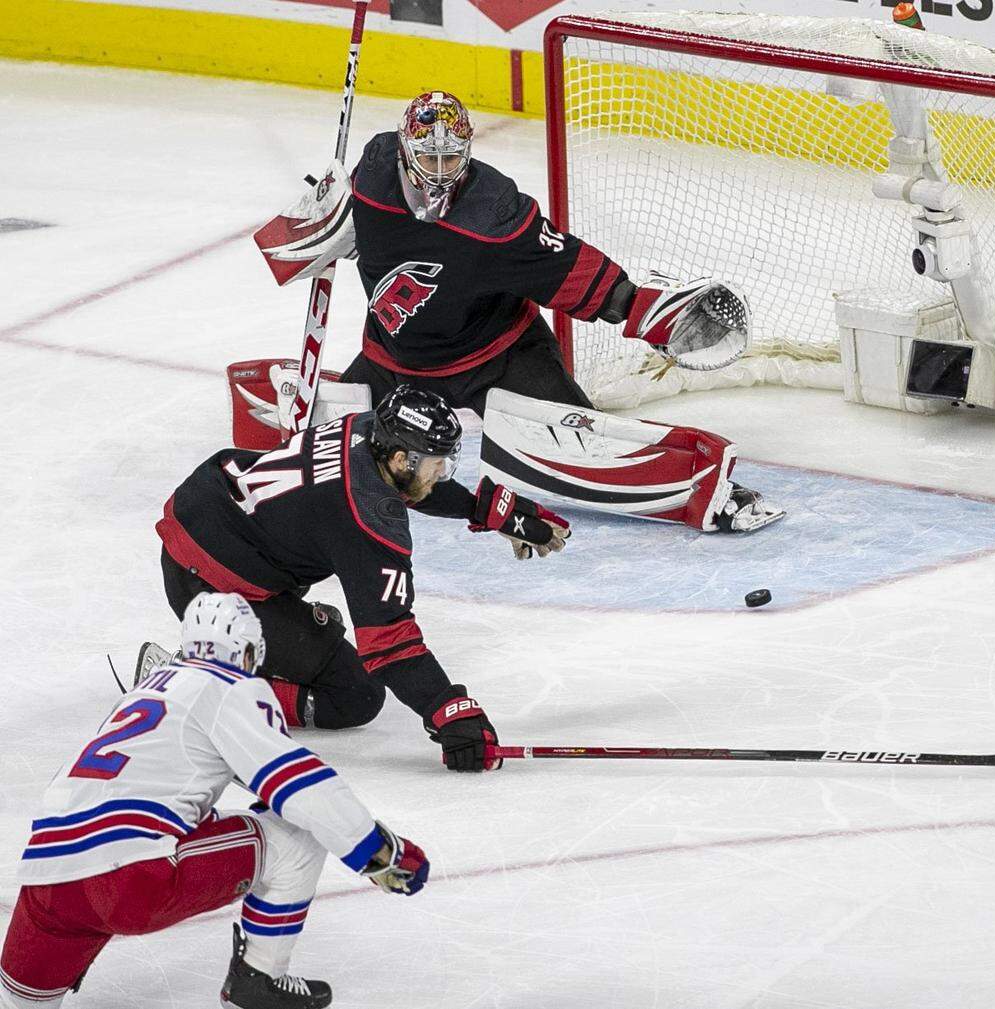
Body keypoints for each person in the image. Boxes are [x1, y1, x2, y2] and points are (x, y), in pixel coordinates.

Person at [337, 90, 779, 533]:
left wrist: (638, 305)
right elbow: (337, 214)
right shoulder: (372, 175)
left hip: (496, 358)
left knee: (585, 448)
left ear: (467, 152)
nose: (437, 172)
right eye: (427, 157)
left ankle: (709, 493)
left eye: (449, 159)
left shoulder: (493, 214)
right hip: (392, 360)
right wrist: (321, 223)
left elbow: (565, 266)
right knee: (324, 452)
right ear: (402, 148)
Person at [0, 592, 429, 1009]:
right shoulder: (232, 687)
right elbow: (299, 785)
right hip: (130, 875)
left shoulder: (143, 694)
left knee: (18, 1002)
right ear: (248, 651)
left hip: (46, 876)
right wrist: (379, 853)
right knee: (296, 838)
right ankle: (260, 978)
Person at [155, 384, 567, 769]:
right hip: (209, 584)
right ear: (402, 458)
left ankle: (266, 636)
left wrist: (488, 510)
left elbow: (408, 484)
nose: (442, 473)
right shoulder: (367, 520)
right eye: (438, 463)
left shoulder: (369, 429)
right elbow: (389, 644)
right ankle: (196, 684)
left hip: (214, 515)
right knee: (354, 696)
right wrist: (448, 710)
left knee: (317, 590)